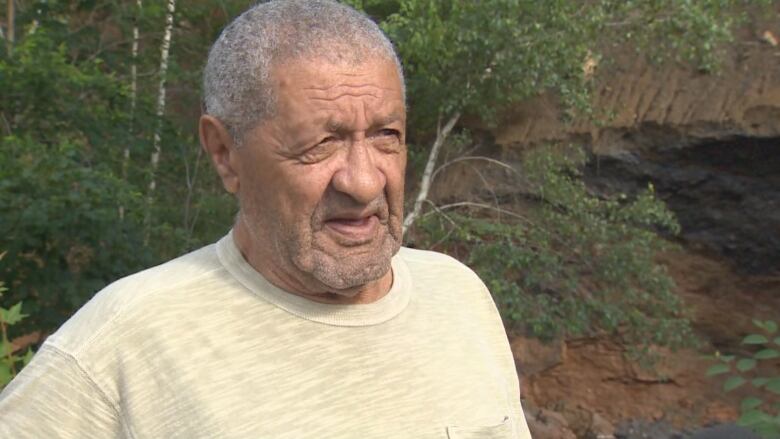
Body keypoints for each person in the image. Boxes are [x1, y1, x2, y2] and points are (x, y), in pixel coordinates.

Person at [0, 1, 533, 437]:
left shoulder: (459, 296)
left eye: (386, 136)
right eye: (322, 143)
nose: (365, 181)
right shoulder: (120, 345)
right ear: (225, 153)